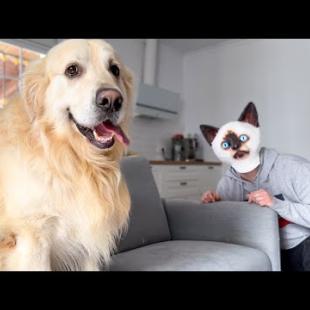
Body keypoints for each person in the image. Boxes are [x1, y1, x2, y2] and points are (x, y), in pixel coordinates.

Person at [200, 102, 310, 271]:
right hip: (260, 249)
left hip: (301, 243)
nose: (236, 146)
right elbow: (224, 229)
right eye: (227, 144)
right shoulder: (227, 183)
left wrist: (275, 203)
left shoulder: (295, 168)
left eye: (242, 139)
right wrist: (215, 205)